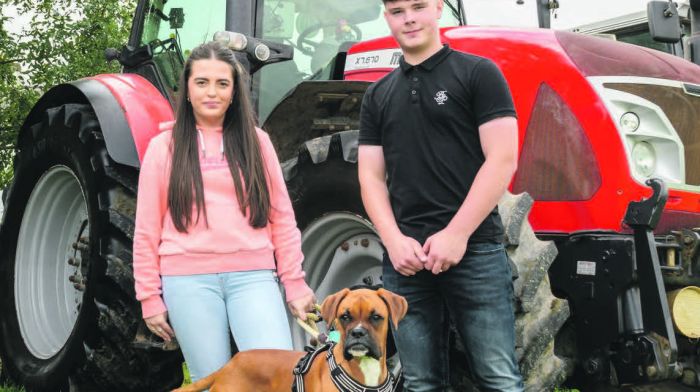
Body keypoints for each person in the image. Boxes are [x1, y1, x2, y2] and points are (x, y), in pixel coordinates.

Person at [358, 0, 524, 391]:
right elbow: (370, 176)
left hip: (475, 251)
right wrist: (393, 241)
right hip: (405, 262)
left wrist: (457, 233)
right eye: (398, 11)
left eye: (418, 6)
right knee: (421, 382)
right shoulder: (378, 95)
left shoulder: (478, 74)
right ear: (387, 18)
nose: (409, 18)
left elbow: (502, 159)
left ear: (437, 9)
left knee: (498, 378)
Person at [133, 41, 315, 383]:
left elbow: (282, 218)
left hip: (253, 277)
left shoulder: (257, 142)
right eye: (202, 82)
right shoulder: (163, 148)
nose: (212, 92)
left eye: (222, 83)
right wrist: (149, 297)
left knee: (275, 377)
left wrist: (295, 283)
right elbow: (146, 229)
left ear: (234, 92)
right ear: (186, 89)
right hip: (187, 282)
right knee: (211, 380)